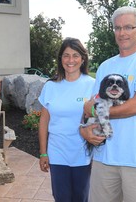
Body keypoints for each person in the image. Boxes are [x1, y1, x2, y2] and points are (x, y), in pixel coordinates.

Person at [80, 6, 136, 202]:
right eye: (117, 28)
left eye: (128, 27)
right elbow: (90, 107)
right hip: (104, 158)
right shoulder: (105, 66)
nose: (122, 33)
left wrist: (96, 109)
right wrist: (83, 129)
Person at [38, 37, 95, 202]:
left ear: (83, 59)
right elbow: (44, 122)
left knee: (81, 198)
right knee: (61, 198)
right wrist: (43, 152)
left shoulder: (92, 85)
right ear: (60, 59)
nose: (71, 60)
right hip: (57, 152)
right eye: (66, 55)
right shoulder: (50, 86)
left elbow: (100, 118)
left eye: (76, 55)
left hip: (83, 153)